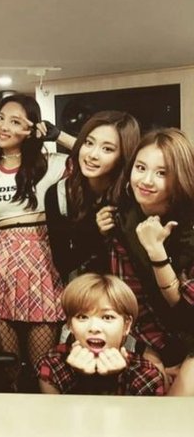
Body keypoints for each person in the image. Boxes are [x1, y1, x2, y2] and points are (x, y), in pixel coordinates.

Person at [0, 93, 75, 380]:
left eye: (15, 121)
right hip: (3, 267)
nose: (3, 126)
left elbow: (94, 157)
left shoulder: (51, 163)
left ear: (31, 129)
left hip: (43, 264)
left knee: (43, 367)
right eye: (1, 118)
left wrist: (58, 135)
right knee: (7, 367)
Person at [96, 128, 194, 386]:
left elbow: (187, 310)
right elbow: (132, 298)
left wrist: (156, 252)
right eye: (140, 167)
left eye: (162, 173)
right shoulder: (124, 221)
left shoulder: (190, 225)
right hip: (156, 338)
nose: (146, 180)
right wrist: (156, 351)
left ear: (180, 177)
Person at [45, 111, 140, 283]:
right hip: (87, 289)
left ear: (123, 156)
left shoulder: (132, 194)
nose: (92, 155)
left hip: (129, 289)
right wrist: (96, 232)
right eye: (89, 143)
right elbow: (63, 263)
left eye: (107, 149)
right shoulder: (59, 194)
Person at [34, 273, 165, 395]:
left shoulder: (146, 374)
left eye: (107, 317)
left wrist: (110, 382)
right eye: (82, 317)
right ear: (70, 325)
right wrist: (83, 381)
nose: (94, 328)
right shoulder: (53, 365)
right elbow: (55, 413)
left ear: (126, 325)